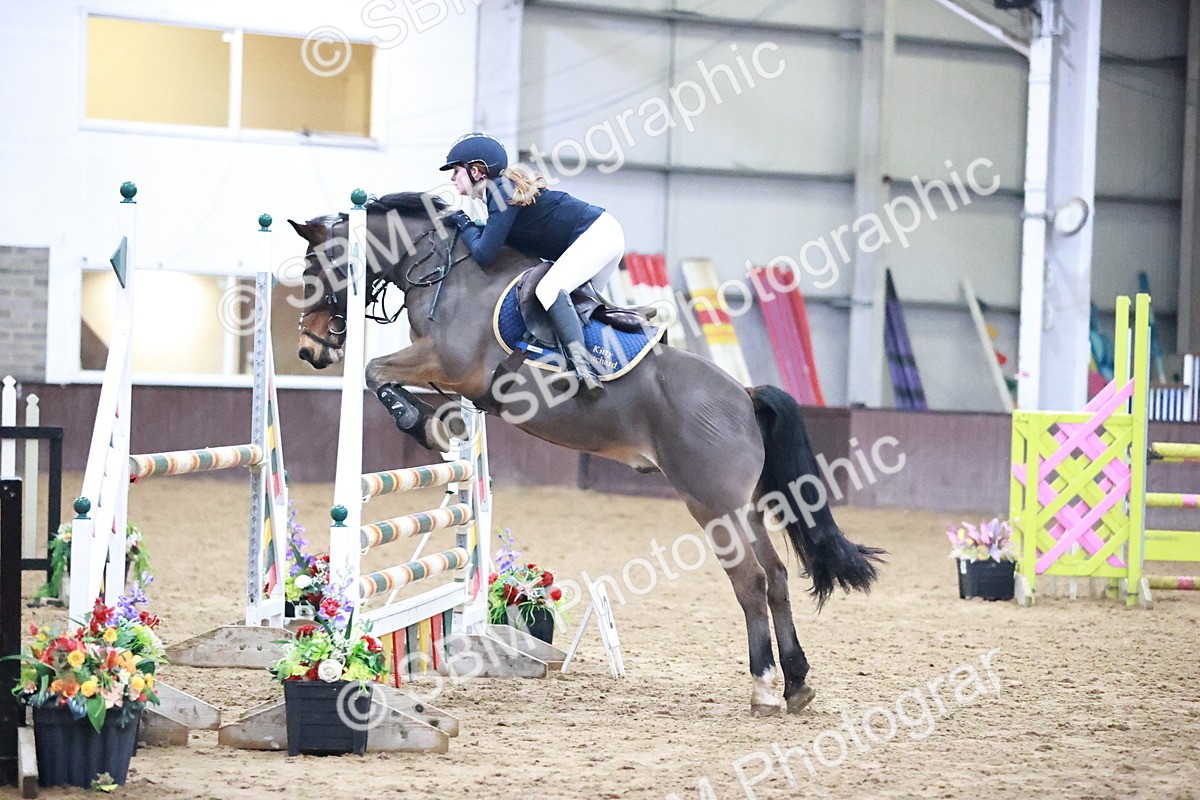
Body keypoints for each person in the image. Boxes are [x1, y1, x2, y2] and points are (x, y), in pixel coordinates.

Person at [440, 132, 625, 395]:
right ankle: (605, 362)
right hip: (602, 232)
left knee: (549, 290)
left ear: (477, 171)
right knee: (575, 309)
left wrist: (463, 222)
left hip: (597, 234)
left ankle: (584, 371)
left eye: (456, 170)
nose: (451, 178)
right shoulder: (499, 192)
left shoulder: (500, 190)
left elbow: (484, 254)